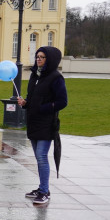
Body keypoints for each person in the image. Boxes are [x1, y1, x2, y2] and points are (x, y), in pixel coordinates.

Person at [18, 46, 68, 206]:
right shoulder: (35, 75)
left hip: (46, 124)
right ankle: (41, 188)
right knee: (38, 159)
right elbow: (32, 97)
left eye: (42, 57)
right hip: (33, 122)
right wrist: (26, 103)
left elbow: (62, 101)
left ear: (50, 59)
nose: (38, 59)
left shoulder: (55, 78)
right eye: (37, 56)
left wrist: (43, 108)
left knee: (41, 157)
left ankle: (45, 191)